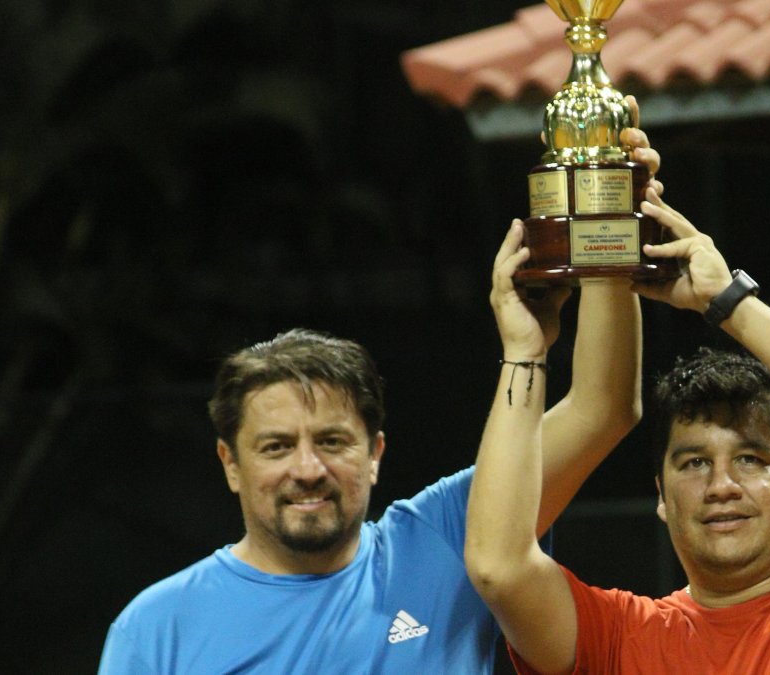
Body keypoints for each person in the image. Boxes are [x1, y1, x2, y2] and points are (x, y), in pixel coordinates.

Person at [97, 112, 661, 674]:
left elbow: (600, 408)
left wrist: (609, 213)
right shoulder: (157, 629)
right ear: (230, 464)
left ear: (375, 454)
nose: (308, 468)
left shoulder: (445, 539)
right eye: (275, 447)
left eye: (333, 441)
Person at [468, 189, 770, 674]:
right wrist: (524, 350)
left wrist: (727, 303)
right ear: (661, 496)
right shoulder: (618, 638)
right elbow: (498, 567)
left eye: (750, 459)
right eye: (694, 463)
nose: (721, 487)